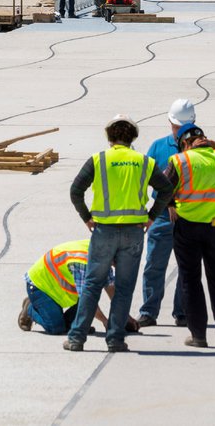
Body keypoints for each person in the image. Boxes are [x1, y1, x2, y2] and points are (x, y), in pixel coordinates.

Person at [64, 116, 175, 353]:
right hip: (134, 232)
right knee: (124, 287)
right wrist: (152, 216)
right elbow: (166, 188)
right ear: (133, 137)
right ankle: (115, 339)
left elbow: (76, 191)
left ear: (109, 136)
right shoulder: (143, 161)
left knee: (93, 284)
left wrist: (86, 217)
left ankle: (76, 338)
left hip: (103, 231)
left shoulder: (99, 160)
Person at [167, 123, 215, 348]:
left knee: (190, 280)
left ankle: (198, 335)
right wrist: (213, 143)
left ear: (185, 143)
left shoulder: (181, 161)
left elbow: (163, 187)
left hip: (187, 226)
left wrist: (170, 204)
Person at [136, 99, 193, 329]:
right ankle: (149, 312)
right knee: (154, 265)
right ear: (170, 122)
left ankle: (182, 312)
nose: (179, 131)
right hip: (161, 217)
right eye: (176, 126)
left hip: (189, 216)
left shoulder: (200, 148)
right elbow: (146, 178)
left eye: (183, 127)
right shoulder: (158, 147)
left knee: (186, 267)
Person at [19, 239, 129, 336]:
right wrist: (105, 321)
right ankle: (30, 308)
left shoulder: (103, 255)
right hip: (39, 286)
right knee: (56, 328)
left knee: (77, 320)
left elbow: (110, 288)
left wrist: (126, 317)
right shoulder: (84, 263)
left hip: (55, 288)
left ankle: (70, 323)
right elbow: (88, 300)